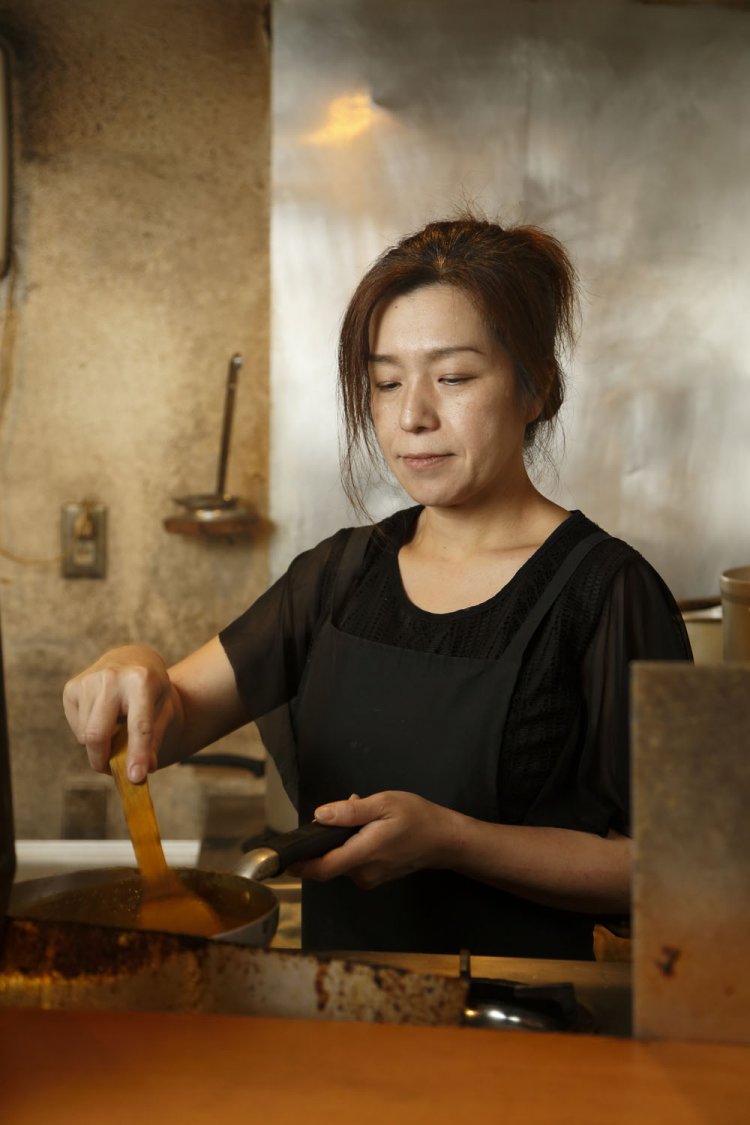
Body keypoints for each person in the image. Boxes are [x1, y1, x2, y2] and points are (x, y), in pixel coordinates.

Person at [63, 216, 691, 960]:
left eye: (454, 377)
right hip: (344, 1020)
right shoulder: (340, 575)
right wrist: (128, 662)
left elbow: (674, 870)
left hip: (523, 1036)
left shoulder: (608, 592)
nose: (412, 415)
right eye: (386, 381)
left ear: (536, 387)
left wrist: (456, 841)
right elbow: (164, 714)